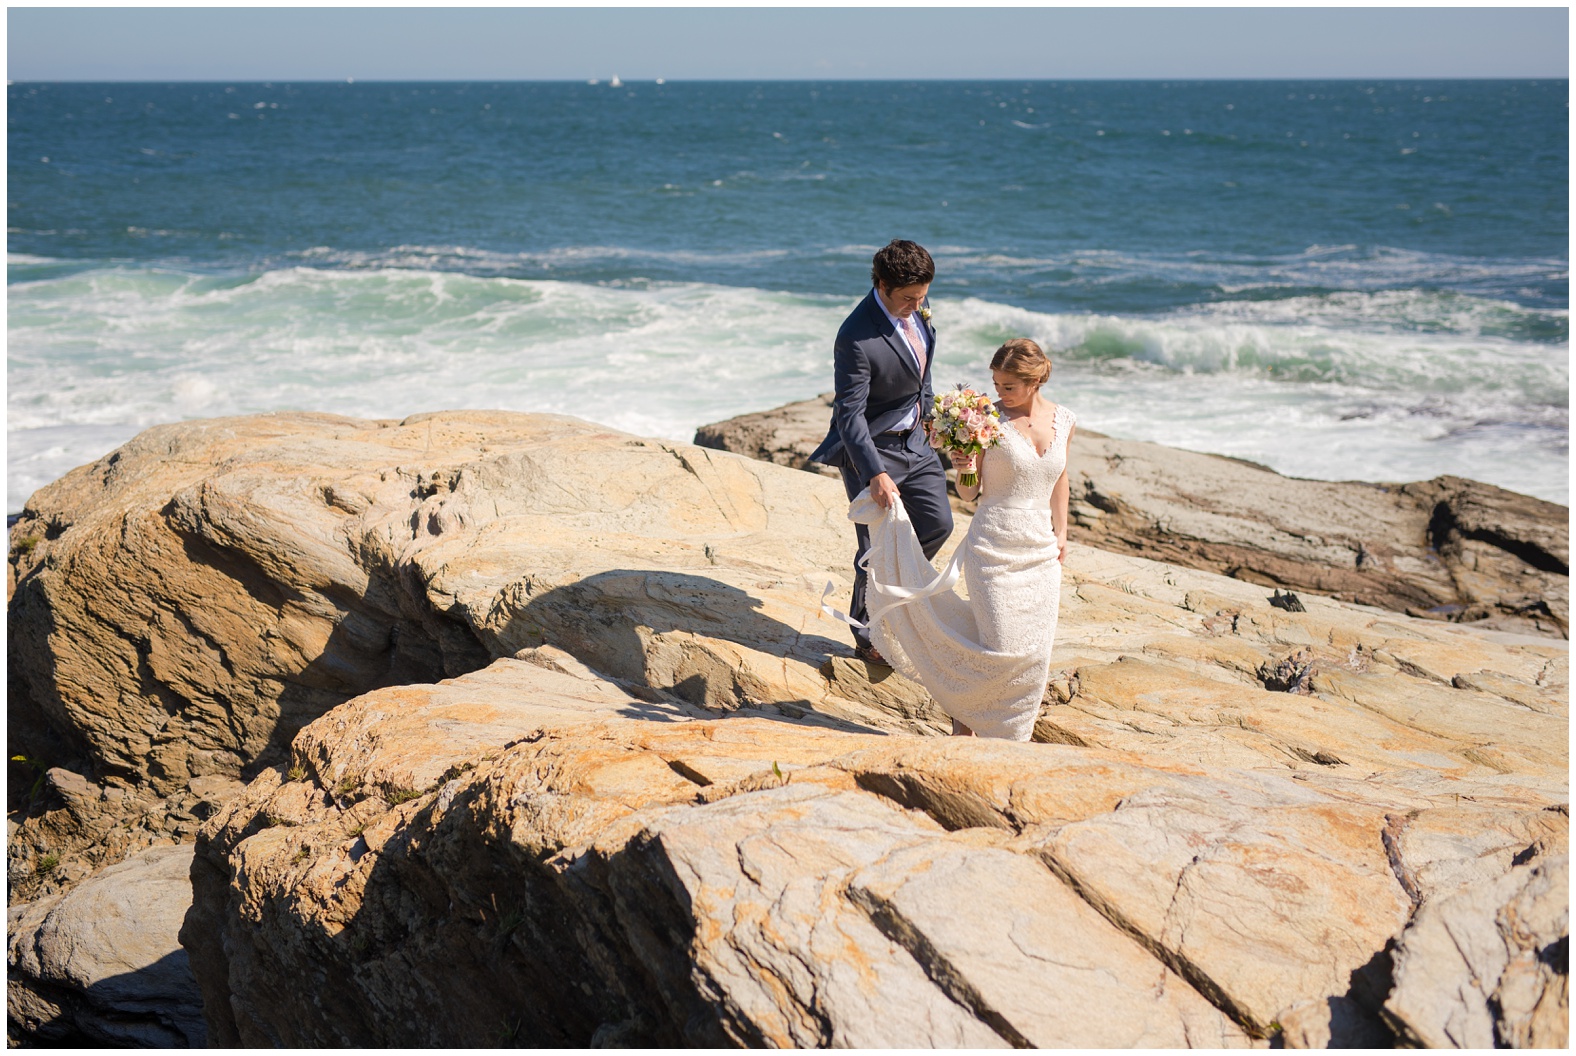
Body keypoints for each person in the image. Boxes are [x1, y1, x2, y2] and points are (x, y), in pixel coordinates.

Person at [848, 338, 1075, 740]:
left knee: (1033, 654)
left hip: (1040, 552)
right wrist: (965, 466)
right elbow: (969, 493)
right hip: (994, 547)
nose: (999, 394)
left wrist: (1062, 532)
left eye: (1008, 386)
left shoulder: (1065, 421)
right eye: (996, 383)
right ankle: (966, 717)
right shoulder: (986, 421)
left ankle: (1001, 735)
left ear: (1036, 380)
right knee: (1001, 645)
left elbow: (1060, 479)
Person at [809, 240, 953, 666]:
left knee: (937, 524)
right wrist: (874, 473)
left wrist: (931, 417)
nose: (918, 305)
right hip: (871, 449)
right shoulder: (855, 336)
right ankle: (866, 630)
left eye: (923, 297)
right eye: (909, 298)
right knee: (874, 549)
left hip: (917, 443)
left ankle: (894, 596)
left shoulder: (918, 311)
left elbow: (923, 373)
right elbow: (849, 414)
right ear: (884, 285)